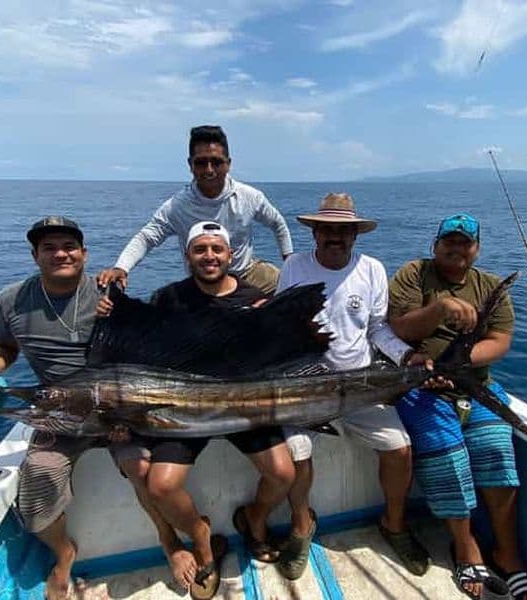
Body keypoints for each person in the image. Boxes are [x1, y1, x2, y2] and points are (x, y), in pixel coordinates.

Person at [0, 217, 173, 600]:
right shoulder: (11, 300)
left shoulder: (106, 294)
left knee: (144, 468)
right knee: (34, 495)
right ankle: (64, 554)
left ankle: (167, 538)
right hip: (56, 414)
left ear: (84, 253)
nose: (60, 253)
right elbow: (4, 349)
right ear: (35, 256)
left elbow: (140, 355)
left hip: (115, 413)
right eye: (49, 248)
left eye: (69, 246)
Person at [97, 220, 296, 600]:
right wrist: (111, 313)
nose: (209, 257)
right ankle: (201, 536)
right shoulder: (169, 298)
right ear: (187, 256)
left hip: (242, 407)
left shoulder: (254, 297)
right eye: (200, 250)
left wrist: (268, 321)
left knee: (283, 473)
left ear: (230, 254)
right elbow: (140, 345)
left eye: (216, 249)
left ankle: (254, 518)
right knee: (161, 485)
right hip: (184, 411)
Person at [273, 193, 431, 581]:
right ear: (315, 232)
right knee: (295, 454)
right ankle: (301, 527)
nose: (335, 236)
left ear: (355, 235)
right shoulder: (294, 266)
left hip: (360, 384)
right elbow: (279, 327)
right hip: (306, 388)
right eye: (327, 229)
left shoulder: (373, 269)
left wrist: (406, 356)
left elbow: (378, 329)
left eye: (343, 230)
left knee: (400, 448)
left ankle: (393, 524)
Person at [388, 213, 527, 600]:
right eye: (449, 242)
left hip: (475, 384)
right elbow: (399, 328)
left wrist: (459, 365)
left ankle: (507, 552)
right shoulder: (413, 274)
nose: (456, 248)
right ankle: (465, 546)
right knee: (448, 454)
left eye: (465, 243)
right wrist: (441, 309)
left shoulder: (490, 286)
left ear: (476, 248)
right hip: (420, 386)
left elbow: (500, 341)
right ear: (435, 245)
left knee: (496, 445)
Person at [98, 125, 292, 295]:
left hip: (247, 274)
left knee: (295, 289)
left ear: (228, 164)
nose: (209, 170)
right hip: (202, 285)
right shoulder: (177, 206)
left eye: (216, 162)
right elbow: (147, 237)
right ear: (190, 165)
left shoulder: (250, 197)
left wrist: (289, 260)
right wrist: (121, 268)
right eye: (201, 162)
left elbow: (277, 223)